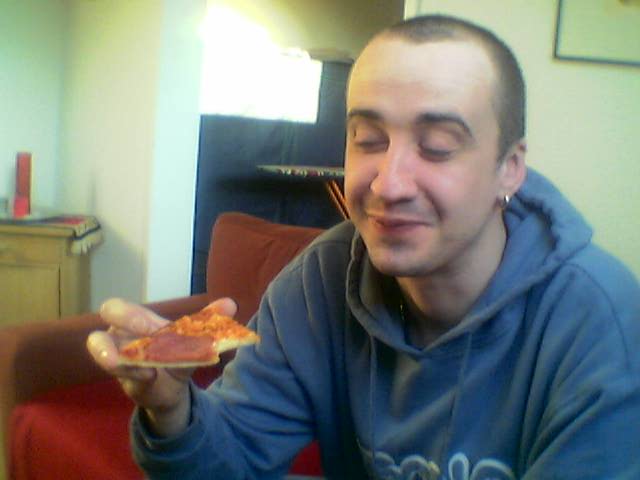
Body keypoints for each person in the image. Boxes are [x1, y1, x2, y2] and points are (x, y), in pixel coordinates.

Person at [87, 14, 640, 479]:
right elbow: (228, 463)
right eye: (368, 140)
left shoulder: (599, 321)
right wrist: (173, 411)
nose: (389, 183)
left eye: (438, 146)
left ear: (510, 169)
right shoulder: (317, 284)